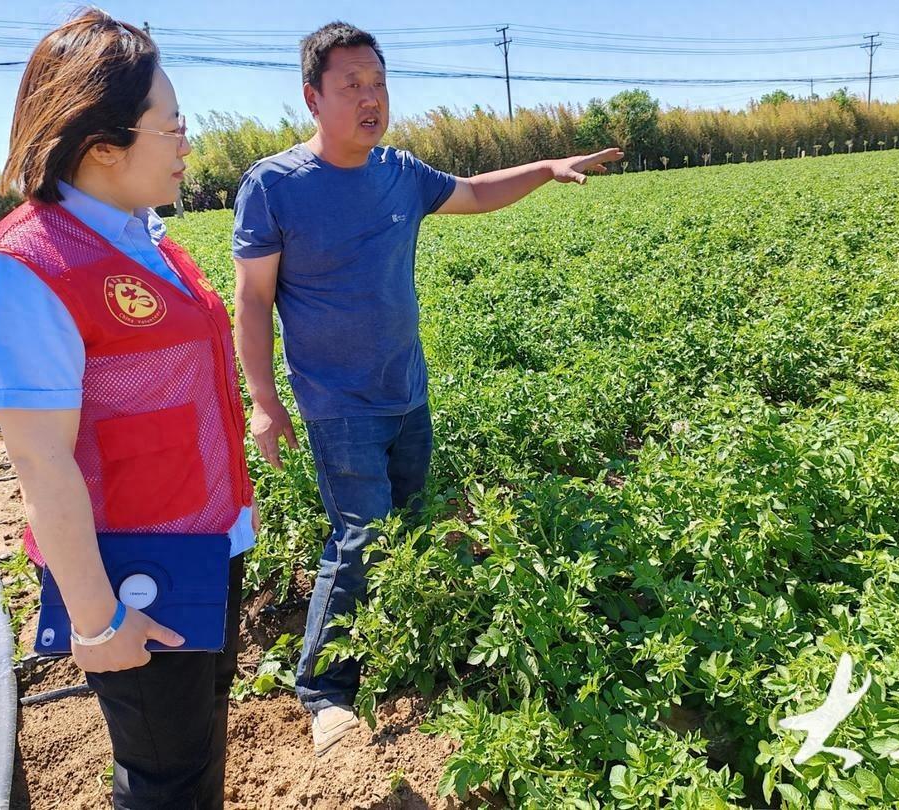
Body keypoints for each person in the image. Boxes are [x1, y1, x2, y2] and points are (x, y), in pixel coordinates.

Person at [232, 20, 621, 756]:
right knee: (363, 538)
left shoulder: (399, 173)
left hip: (407, 392)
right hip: (338, 404)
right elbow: (252, 300)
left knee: (407, 529)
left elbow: (472, 192)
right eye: (352, 85)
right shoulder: (274, 186)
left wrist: (542, 168)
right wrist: (263, 401)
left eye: (378, 83)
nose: (370, 98)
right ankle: (325, 693)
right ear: (313, 97)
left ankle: (402, 644)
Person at [0, 10, 257, 808]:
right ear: (103, 147)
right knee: (164, 778)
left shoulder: (142, 236)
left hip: (205, 544)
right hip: (136, 580)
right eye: (174, 125)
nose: (189, 142)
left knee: (195, 750)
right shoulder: (26, 272)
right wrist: (95, 620)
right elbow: (39, 458)